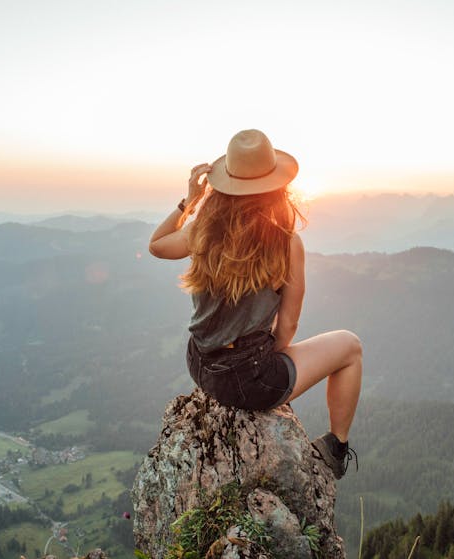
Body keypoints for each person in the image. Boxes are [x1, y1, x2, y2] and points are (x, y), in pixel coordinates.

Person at [148, 129, 363, 479]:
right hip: (249, 380)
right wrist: (262, 363)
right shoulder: (287, 244)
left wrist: (189, 201)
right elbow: (288, 325)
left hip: (199, 364)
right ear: (278, 186)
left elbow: (157, 245)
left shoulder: (204, 229)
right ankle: (336, 448)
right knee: (350, 347)